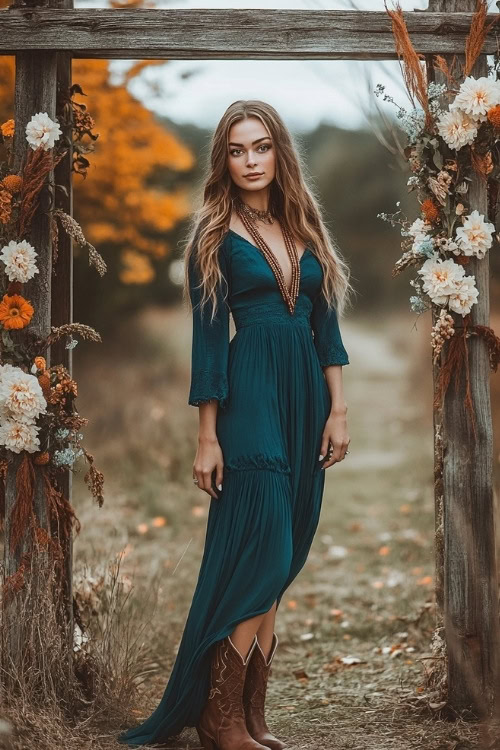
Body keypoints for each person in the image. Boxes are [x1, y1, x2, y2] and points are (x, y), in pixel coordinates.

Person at [118, 99, 353, 750]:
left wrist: (338, 409)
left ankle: (252, 715)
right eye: (237, 150)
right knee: (265, 547)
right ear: (223, 159)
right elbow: (208, 344)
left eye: (261, 147)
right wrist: (207, 435)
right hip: (248, 395)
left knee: (285, 554)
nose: (251, 161)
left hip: (305, 397)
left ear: (280, 152)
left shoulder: (306, 230)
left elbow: (325, 331)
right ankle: (218, 719)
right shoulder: (213, 238)